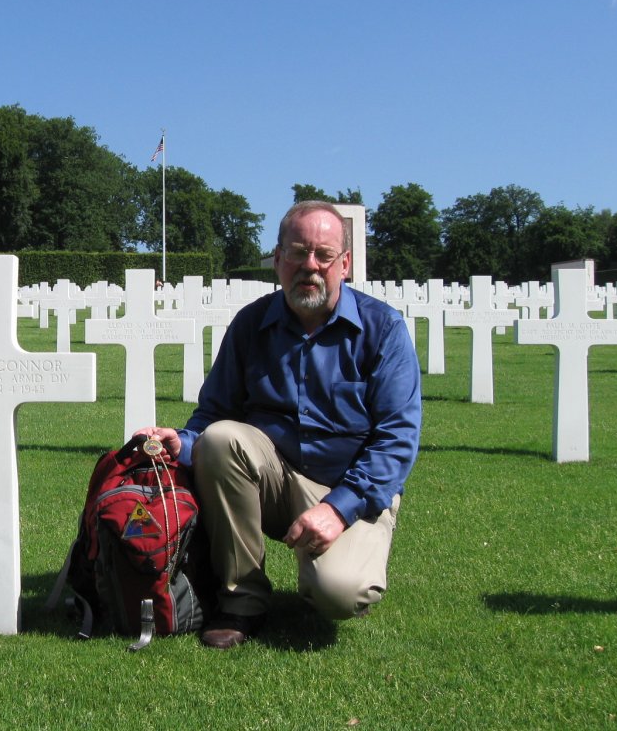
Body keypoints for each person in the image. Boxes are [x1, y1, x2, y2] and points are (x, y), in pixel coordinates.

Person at [137, 200, 421, 649]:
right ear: (278, 259)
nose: (310, 266)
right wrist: (182, 442)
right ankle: (241, 600)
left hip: (349, 484)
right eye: (297, 252)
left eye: (324, 255)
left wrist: (337, 509)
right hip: (273, 479)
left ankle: (333, 567)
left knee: (339, 593)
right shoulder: (251, 325)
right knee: (220, 438)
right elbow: (214, 412)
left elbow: (396, 439)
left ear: (345, 264)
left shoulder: (382, 329)